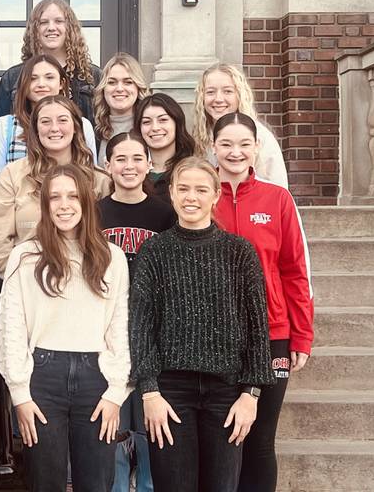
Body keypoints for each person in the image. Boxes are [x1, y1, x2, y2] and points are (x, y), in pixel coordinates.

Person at [129, 157, 275, 492]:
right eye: (183, 189)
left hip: (226, 393)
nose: (191, 196)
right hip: (169, 393)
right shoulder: (154, 251)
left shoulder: (239, 252)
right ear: (173, 195)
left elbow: (256, 327)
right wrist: (149, 391)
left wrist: (251, 394)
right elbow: (140, 326)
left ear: (215, 196)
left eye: (200, 189)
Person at [0, 163, 131, 492]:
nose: (64, 204)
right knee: (46, 482)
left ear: (86, 201)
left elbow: (121, 326)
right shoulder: (25, 256)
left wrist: (116, 392)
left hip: (96, 377)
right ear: (45, 205)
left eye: (72, 196)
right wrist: (20, 393)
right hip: (42, 377)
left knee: (96, 482)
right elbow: (11, 326)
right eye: (55, 197)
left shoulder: (111, 257)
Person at [211, 112, 313, 492]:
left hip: (273, 334)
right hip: (217, 337)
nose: (235, 152)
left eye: (244, 144)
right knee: (224, 438)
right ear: (213, 147)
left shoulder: (278, 199)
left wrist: (301, 335)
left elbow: (294, 270)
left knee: (259, 439)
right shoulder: (202, 196)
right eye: (226, 144)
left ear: (256, 149)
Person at [97, 132, 175, 492]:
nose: (129, 166)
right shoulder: (96, 211)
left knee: (147, 423)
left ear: (149, 164)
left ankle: (145, 484)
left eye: (136, 159)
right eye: (121, 159)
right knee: (115, 419)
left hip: (151, 326)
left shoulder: (164, 213)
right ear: (108, 165)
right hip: (108, 327)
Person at [0, 95, 109, 274]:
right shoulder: (13, 175)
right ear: (35, 129)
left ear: (75, 127)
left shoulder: (99, 179)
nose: (54, 128)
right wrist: (20, 277)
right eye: (45, 122)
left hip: (87, 280)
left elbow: (107, 236)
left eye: (62, 120)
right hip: (29, 281)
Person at [0, 54, 97, 194]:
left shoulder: (81, 125)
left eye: (49, 77)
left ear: (62, 83)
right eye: (33, 78)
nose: (41, 84)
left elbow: (91, 175)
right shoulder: (4, 126)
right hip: (20, 208)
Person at [0, 0, 101, 122]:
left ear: (70, 28)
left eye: (59, 21)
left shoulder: (93, 76)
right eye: (43, 22)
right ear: (34, 30)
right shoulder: (12, 78)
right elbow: (2, 129)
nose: (51, 27)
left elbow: (103, 126)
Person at [192, 63, 288, 188]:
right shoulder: (201, 136)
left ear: (240, 95)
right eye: (210, 92)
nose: (218, 98)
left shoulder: (260, 136)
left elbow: (278, 189)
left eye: (228, 91)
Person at [132, 93, 197, 204]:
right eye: (147, 122)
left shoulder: (193, 170)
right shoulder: (131, 171)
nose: (155, 128)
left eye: (163, 120)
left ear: (177, 123)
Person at [93, 52, 150, 161]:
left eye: (128, 82)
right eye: (112, 82)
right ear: (103, 88)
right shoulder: (93, 130)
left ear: (138, 88)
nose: (119, 88)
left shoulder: (149, 129)